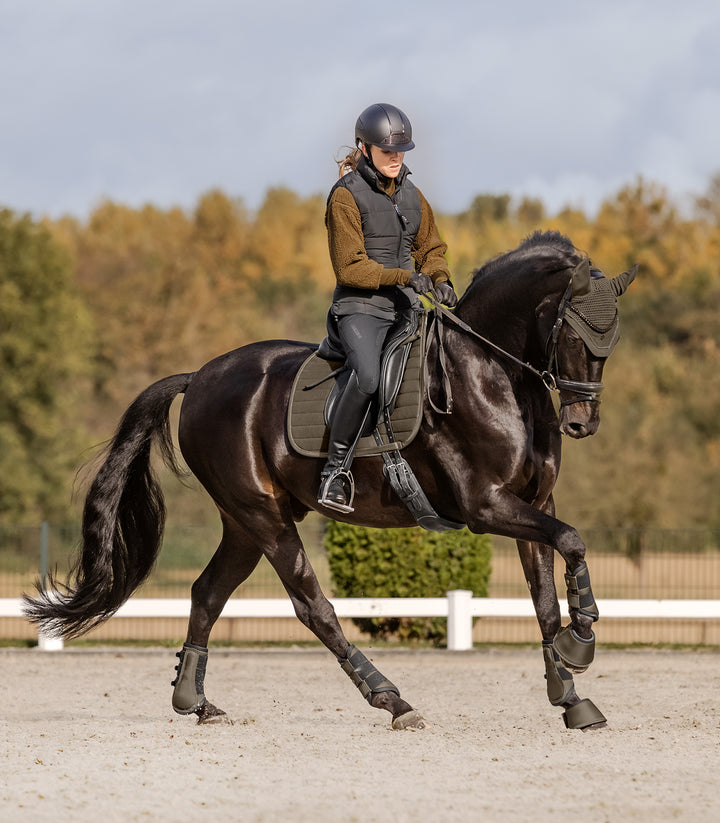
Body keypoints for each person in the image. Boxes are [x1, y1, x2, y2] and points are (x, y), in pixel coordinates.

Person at [317, 102, 457, 513]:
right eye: (387, 151)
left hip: (405, 307)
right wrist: (404, 277)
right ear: (364, 148)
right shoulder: (345, 197)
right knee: (368, 378)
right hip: (361, 309)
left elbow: (430, 247)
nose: (396, 159)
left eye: (401, 151)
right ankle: (335, 472)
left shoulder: (413, 195)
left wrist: (441, 278)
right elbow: (350, 266)